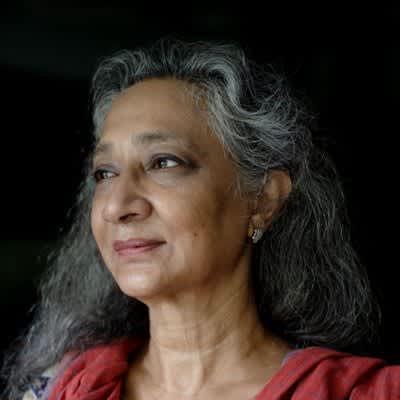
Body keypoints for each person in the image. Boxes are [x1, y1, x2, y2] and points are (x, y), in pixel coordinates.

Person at [1, 39, 399, 400]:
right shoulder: (58, 389)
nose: (116, 205)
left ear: (262, 199)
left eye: (163, 162)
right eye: (105, 172)